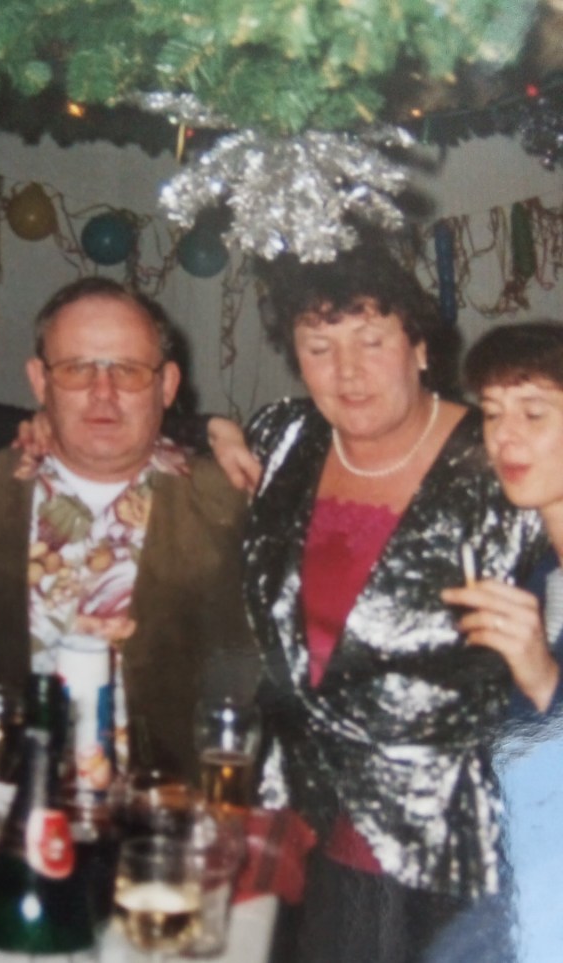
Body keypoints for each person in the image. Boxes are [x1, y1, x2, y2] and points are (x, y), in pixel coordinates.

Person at [211, 244, 545, 963]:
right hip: (281, 813)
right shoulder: (283, 436)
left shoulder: (502, 459)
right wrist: (210, 428)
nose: (348, 372)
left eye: (371, 340)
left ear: (420, 348)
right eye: (319, 347)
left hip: (431, 847)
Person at [0, 277, 257, 781]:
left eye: (128, 371)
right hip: (4, 801)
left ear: (167, 384)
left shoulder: (233, 499)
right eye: (76, 369)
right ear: (39, 381)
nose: (102, 393)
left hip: (173, 811)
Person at [436, 321, 563, 962]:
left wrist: (543, 678)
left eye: (533, 413)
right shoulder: (543, 578)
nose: (504, 436)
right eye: (491, 412)